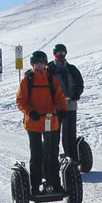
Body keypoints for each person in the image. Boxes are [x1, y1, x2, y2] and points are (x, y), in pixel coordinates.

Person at [16, 51, 68, 194]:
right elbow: (21, 100)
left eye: (42, 63)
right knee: (37, 154)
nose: (39, 65)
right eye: (37, 63)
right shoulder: (28, 79)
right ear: (33, 64)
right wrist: (30, 112)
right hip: (34, 122)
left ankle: (55, 183)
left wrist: (62, 110)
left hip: (50, 121)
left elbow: (59, 97)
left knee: (52, 153)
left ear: (45, 64)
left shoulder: (50, 79)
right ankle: (35, 185)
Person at [46, 44, 84, 160]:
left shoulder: (72, 69)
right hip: (55, 107)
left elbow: (79, 84)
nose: (60, 55)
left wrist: (77, 93)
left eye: (62, 53)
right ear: (54, 54)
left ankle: (71, 157)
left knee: (70, 133)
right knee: (54, 133)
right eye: (58, 53)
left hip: (70, 105)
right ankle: (52, 159)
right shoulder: (50, 69)